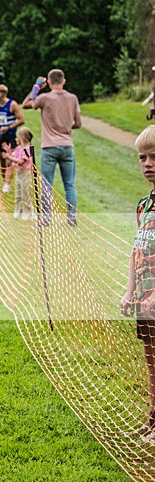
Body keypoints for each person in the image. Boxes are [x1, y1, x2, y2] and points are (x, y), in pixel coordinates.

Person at [120, 125, 155, 443]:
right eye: (142, 158)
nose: (147, 163)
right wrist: (131, 291)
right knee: (151, 360)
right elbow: (136, 250)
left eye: (154, 157)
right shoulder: (144, 205)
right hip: (144, 301)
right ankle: (153, 419)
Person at [22, 69, 81, 226]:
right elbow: (78, 123)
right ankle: (72, 218)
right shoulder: (73, 98)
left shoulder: (44, 98)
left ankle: (46, 219)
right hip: (67, 145)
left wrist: (36, 88)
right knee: (69, 184)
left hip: (49, 146)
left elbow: (25, 104)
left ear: (48, 82)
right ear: (64, 81)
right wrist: (66, 127)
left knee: (47, 184)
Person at [0, 84, 25, 194]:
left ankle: (7, 184)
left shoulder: (12, 104)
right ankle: (5, 180)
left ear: (0, 93)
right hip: (0, 136)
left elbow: (21, 120)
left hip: (10, 136)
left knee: (10, 160)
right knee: (2, 160)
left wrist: (8, 127)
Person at [2, 127, 35, 219]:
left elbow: (21, 161)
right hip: (18, 174)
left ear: (22, 138)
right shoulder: (18, 148)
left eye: (17, 137)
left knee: (25, 195)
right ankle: (17, 213)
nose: (15, 139)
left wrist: (9, 156)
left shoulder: (27, 149)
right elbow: (13, 157)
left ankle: (29, 213)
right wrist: (8, 152)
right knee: (18, 194)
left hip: (25, 174)